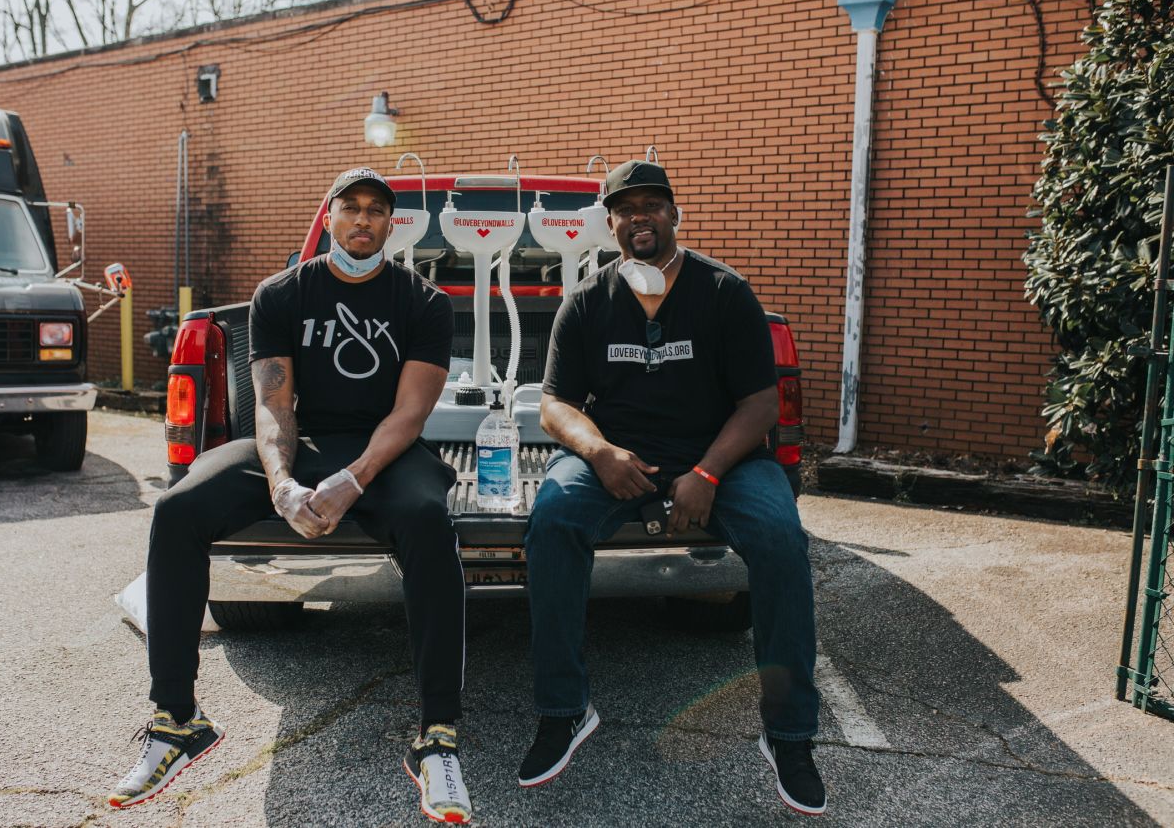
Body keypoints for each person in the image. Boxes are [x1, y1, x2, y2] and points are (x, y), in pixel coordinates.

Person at [110, 168, 473, 824]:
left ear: (392, 225)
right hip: (302, 444)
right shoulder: (282, 293)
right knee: (177, 509)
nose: (363, 221)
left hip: (385, 453)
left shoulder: (424, 302)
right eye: (350, 209)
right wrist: (281, 484)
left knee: (426, 516)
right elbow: (275, 406)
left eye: (376, 211)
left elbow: (410, 414)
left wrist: (355, 478)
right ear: (328, 217)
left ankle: (438, 737)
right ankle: (176, 721)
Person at [517, 161, 825, 815]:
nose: (640, 218)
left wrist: (709, 473)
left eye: (652, 205)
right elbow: (553, 405)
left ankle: (790, 734)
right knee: (552, 521)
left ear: (674, 214)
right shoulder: (588, 300)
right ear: (610, 224)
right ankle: (565, 710)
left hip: (728, 460)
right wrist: (599, 452)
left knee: (779, 538)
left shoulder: (723, 291)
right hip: (621, 458)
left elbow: (762, 404)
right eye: (626, 210)